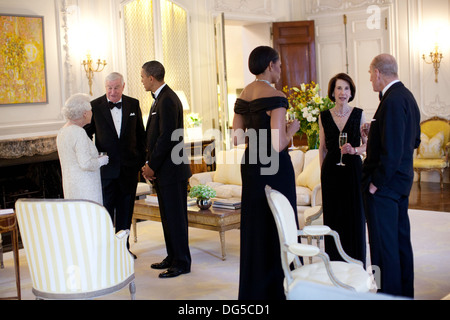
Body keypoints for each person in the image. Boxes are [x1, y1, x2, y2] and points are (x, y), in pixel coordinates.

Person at [233, 46, 300, 300]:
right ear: (270, 65)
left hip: (251, 164)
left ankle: (254, 291)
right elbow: (276, 144)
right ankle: (279, 289)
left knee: (255, 225)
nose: (281, 70)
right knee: (279, 223)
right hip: (275, 167)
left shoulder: (243, 95)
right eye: (279, 65)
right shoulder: (276, 96)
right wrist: (292, 129)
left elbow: (237, 138)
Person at [362, 54, 421, 298]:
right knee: (398, 243)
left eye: (369, 74)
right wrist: (373, 134)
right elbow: (414, 140)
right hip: (401, 183)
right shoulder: (407, 96)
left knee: (383, 247)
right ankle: (403, 293)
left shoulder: (393, 100)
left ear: (377, 73)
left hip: (386, 187)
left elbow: (393, 149)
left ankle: (388, 294)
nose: (370, 79)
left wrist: (376, 183)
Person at [85, 72, 146, 258]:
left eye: (116, 88)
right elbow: (86, 135)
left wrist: (140, 161)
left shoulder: (133, 104)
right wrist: (94, 157)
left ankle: (123, 250)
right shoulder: (94, 106)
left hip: (128, 170)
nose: (112, 92)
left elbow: (141, 135)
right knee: (106, 213)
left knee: (126, 211)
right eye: (109, 88)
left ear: (123, 86)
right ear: (105, 87)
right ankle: (106, 253)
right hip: (106, 171)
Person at [141, 61, 192, 279]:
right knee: (168, 217)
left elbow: (167, 138)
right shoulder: (160, 99)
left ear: (151, 78)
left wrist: (151, 165)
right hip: (164, 171)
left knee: (176, 219)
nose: (141, 80)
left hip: (171, 170)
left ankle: (181, 262)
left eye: (142, 76)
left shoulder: (168, 99)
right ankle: (172, 257)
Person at [319, 73, 367, 265]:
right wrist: (323, 175)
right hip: (331, 172)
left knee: (354, 215)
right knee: (334, 217)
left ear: (351, 92)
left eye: (346, 88)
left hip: (353, 171)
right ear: (332, 92)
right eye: (339, 88)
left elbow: (368, 145)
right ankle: (335, 263)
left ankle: (355, 262)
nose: (343, 92)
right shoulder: (323, 116)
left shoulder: (359, 114)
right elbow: (322, 148)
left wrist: (354, 150)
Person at [57, 93, 109, 204]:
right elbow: (86, 164)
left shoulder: (62, 131)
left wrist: (95, 157)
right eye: (91, 110)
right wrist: (101, 160)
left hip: (71, 188)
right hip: (86, 190)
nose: (92, 112)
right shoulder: (79, 132)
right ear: (85, 114)